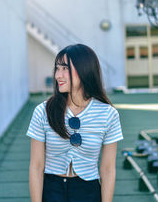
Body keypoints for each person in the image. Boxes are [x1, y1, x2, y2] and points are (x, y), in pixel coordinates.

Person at [26, 44, 123, 202]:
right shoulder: (42, 111)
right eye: (57, 68)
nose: (58, 75)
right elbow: (36, 166)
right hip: (52, 190)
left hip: (88, 191)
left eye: (65, 68)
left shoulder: (108, 114)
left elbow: (107, 170)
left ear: (84, 70)